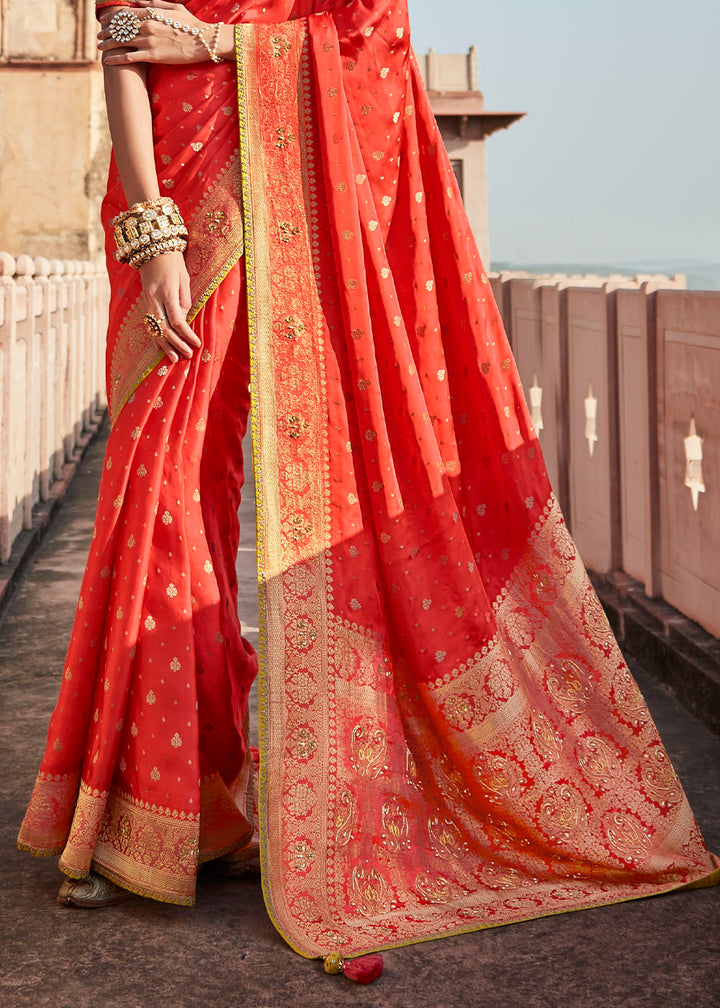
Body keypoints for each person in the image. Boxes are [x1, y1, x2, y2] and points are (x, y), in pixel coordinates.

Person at [18, 0, 718, 973]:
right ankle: (162, 805)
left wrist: (223, 43)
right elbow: (124, 44)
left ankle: (191, 802)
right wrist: (155, 230)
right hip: (172, 204)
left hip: (291, 188)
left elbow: (366, 37)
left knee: (221, 487)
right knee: (160, 489)